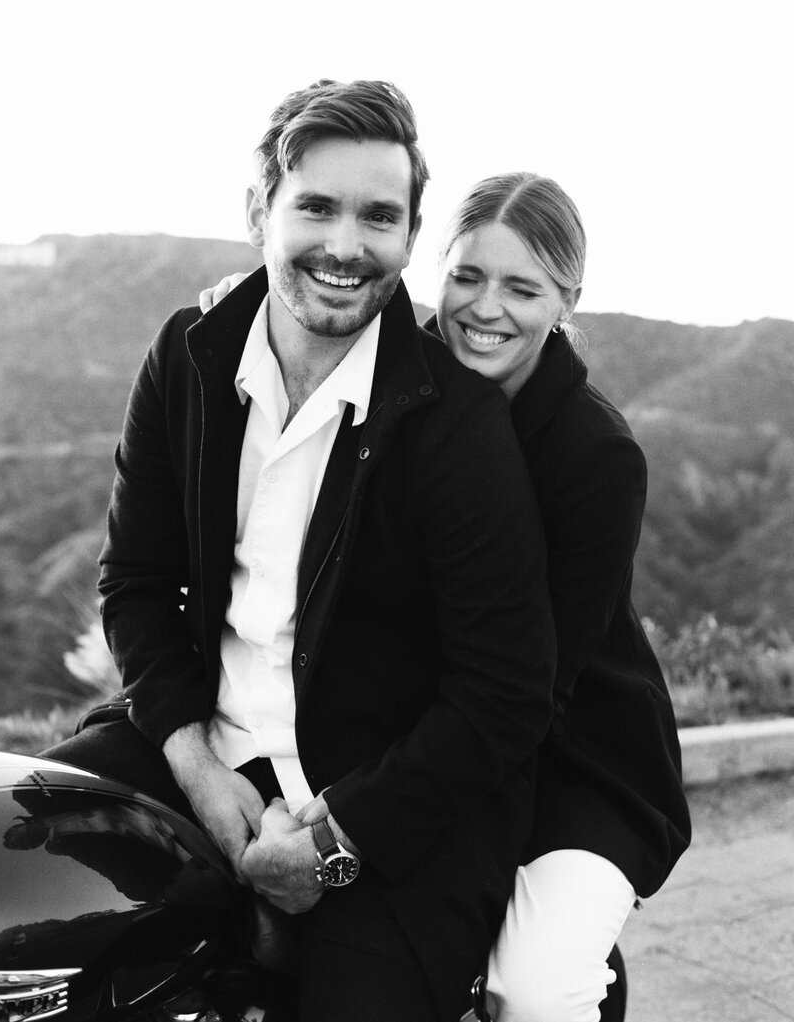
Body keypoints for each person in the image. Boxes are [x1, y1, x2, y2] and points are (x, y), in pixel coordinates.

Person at [42, 80, 558, 1022]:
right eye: (315, 206)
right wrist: (195, 762)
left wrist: (335, 841)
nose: (346, 245)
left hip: (396, 801)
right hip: (198, 740)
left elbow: (505, 691)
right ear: (258, 212)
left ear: (410, 235)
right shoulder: (187, 356)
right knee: (20, 872)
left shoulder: (459, 423)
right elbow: (137, 582)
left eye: (380, 216)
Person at [202, 171, 691, 1022]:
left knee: (536, 987)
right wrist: (237, 305)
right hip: (427, 728)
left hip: (573, 757)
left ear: (568, 297)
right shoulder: (397, 382)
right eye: (467, 275)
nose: (485, 307)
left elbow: (534, 687)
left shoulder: (597, 457)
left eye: (522, 286)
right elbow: (305, 322)